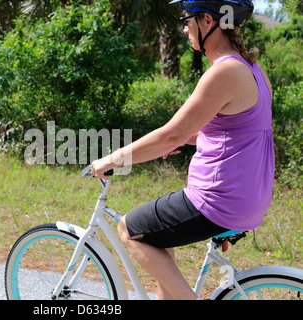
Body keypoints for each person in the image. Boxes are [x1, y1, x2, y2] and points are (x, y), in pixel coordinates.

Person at [91, 0, 275, 300]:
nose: (184, 28)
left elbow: (170, 134)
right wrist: (194, 138)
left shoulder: (224, 71)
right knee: (157, 240)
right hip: (250, 200)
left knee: (129, 229)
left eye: (187, 20)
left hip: (217, 201)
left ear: (207, 21)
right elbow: (242, 128)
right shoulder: (253, 69)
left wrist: (111, 160)